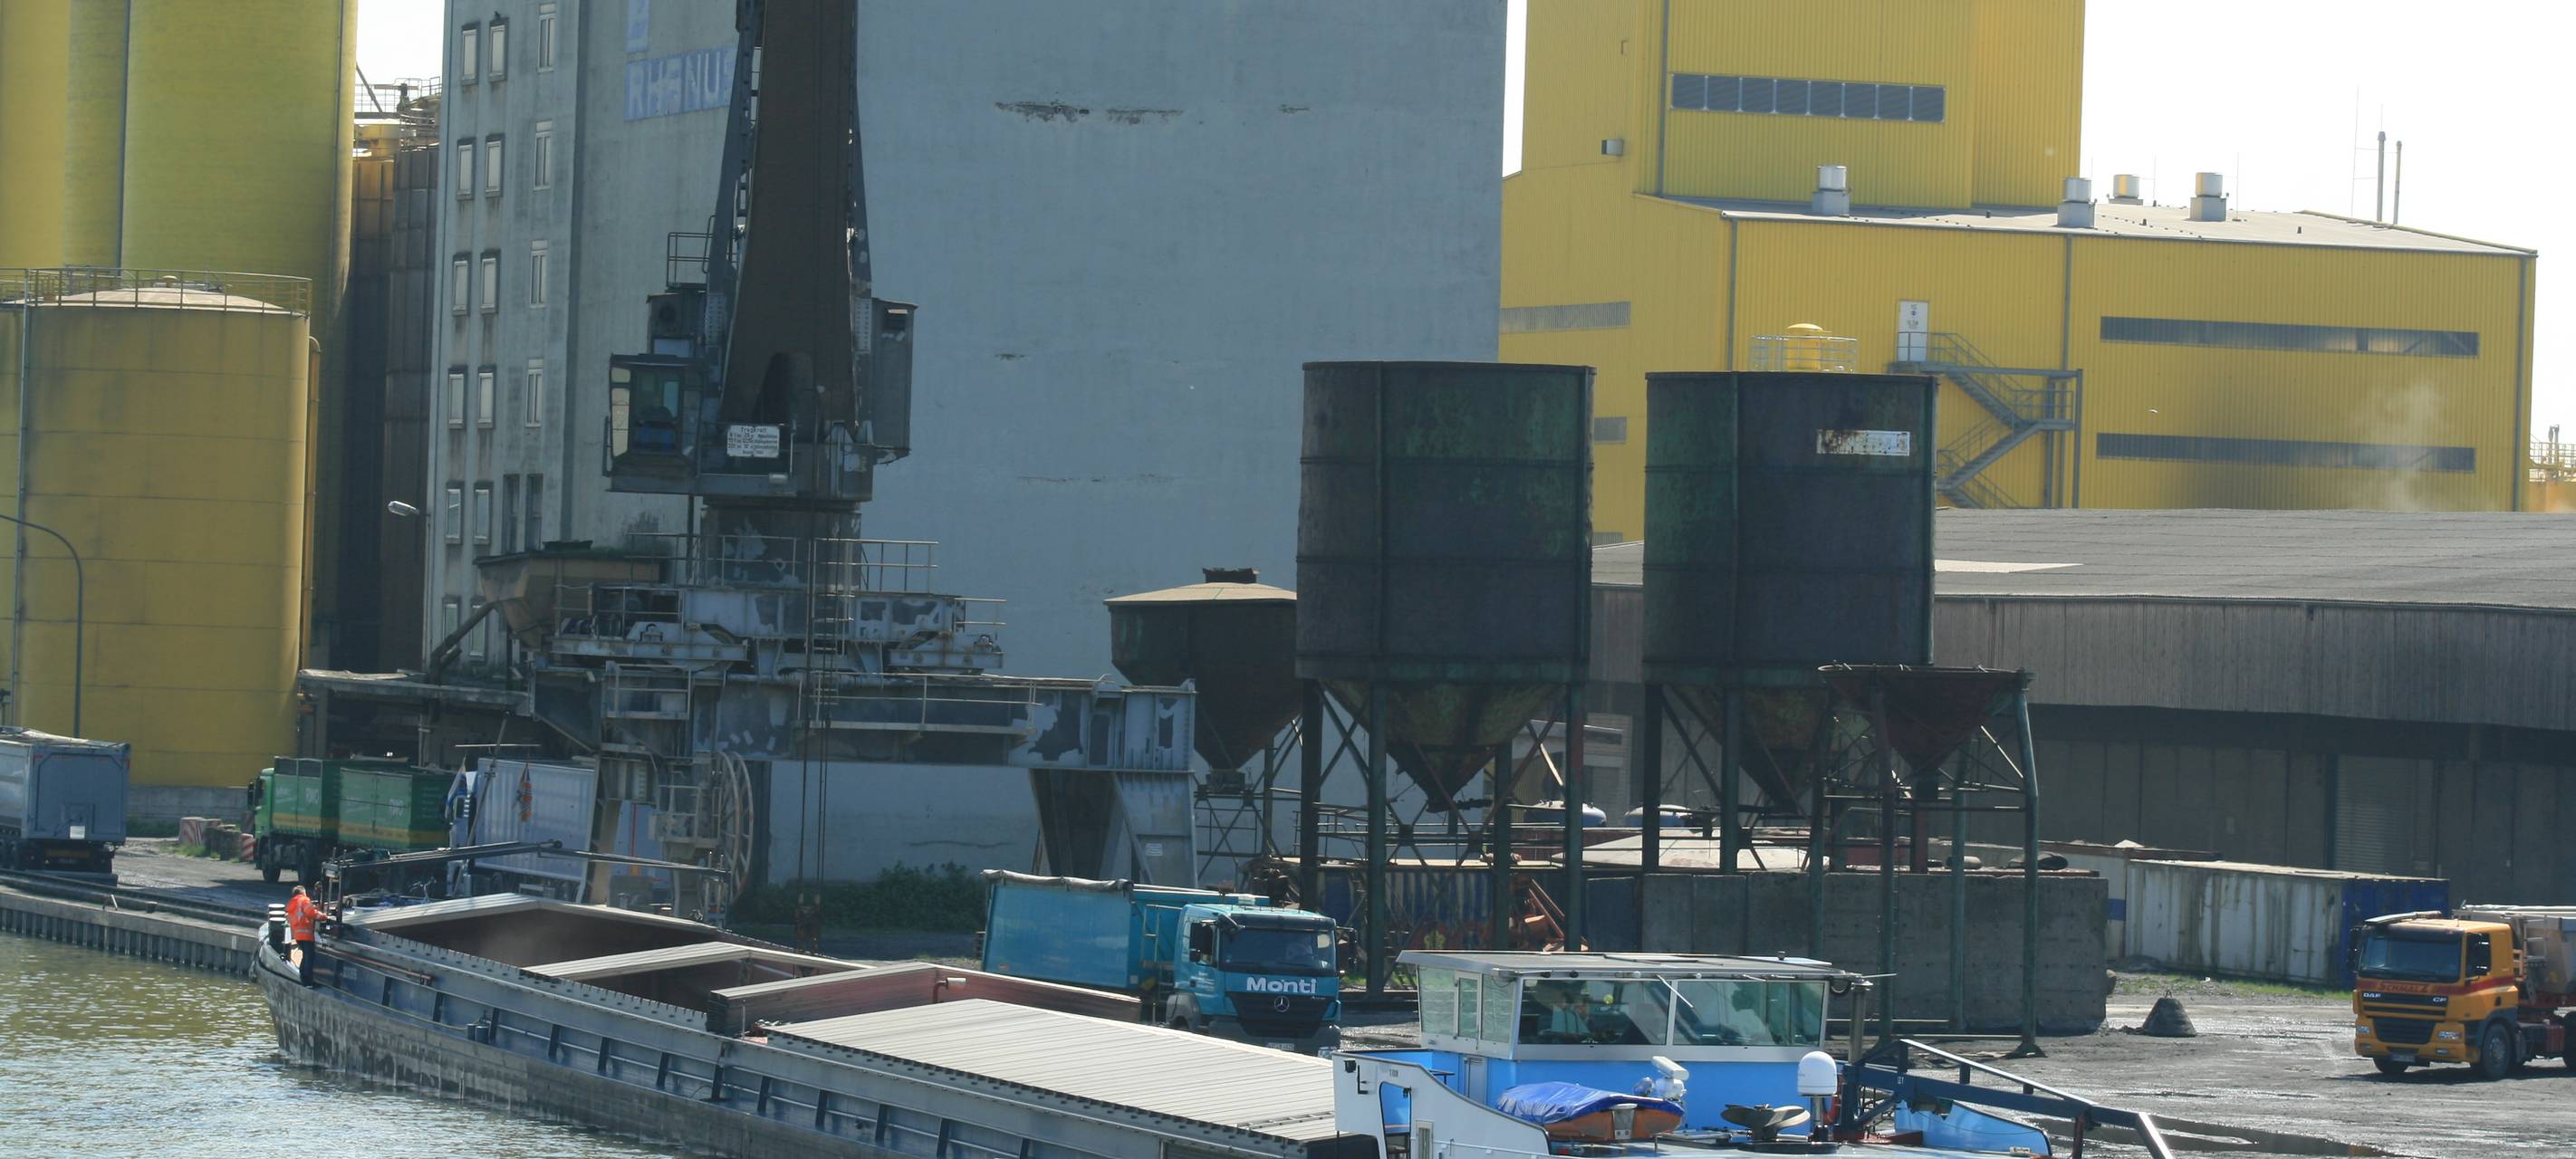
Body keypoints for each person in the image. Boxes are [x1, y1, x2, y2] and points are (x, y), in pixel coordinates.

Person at [285, 885, 321, 985]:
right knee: (309, 957)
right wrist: (323, 916)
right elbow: (311, 913)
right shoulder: (304, 900)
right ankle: (308, 981)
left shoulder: (292, 903)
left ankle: (303, 978)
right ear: (303, 892)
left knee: (305, 956)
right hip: (306, 934)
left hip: (297, 935)